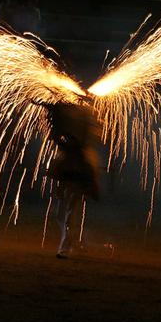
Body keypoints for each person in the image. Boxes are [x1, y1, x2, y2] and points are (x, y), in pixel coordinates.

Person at [42, 100, 102, 258]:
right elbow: (59, 138)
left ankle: (65, 249)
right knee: (61, 213)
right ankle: (73, 243)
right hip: (68, 176)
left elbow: (74, 141)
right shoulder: (78, 120)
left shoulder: (85, 121)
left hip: (76, 178)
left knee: (69, 215)